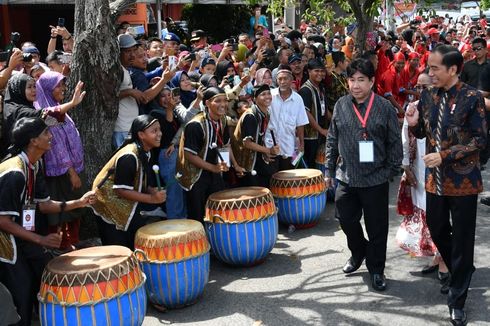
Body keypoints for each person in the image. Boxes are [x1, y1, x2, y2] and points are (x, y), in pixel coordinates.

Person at [406, 45, 487, 325]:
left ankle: (457, 298)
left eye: (435, 68)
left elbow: (479, 140)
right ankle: (461, 269)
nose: (430, 73)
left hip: (463, 182)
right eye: (429, 67)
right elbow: (425, 130)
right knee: (438, 228)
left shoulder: (472, 97)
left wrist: (444, 156)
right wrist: (415, 125)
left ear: (452, 70)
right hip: (435, 182)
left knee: (463, 239)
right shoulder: (429, 94)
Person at [0, 117, 95, 326]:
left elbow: (43, 204)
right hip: (5, 242)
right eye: (46, 133)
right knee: (21, 291)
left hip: (18, 234)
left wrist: (78, 203)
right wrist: (40, 239)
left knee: (41, 275)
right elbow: (3, 221)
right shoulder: (14, 172)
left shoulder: (32, 165)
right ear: (33, 141)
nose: (51, 136)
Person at [325, 58, 402, 292]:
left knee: (377, 227)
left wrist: (391, 170)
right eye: (352, 80)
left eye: (361, 80)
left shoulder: (384, 107)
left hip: (376, 178)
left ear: (371, 81)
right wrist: (329, 168)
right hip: (347, 176)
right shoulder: (341, 105)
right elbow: (332, 137)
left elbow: (394, 142)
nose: (355, 85)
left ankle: (376, 269)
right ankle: (359, 253)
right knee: (345, 219)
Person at [395, 73, 449, 280]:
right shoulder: (413, 107)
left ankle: (444, 260)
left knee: (440, 216)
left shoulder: (446, 106)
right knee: (426, 213)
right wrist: (406, 167)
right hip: (418, 169)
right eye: (418, 86)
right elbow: (404, 137)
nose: (420, 90)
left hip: (441, 171)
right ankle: (437, 256)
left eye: (425, 86)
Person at [91, 115, 166, 249]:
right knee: (118, 248)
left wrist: (150, 190)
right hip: (108, 203)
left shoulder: (146, 151)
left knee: (134, 238)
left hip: (125, 202)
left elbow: (138, 178)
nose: (159, 134)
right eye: (154, 131)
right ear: (141, 135)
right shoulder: (129, 157)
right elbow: (121, 190)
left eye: (159, 130)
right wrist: (151, 198)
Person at [35, 71, 87, 249]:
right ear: (48, 88)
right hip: (61, 172)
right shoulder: (41, 110)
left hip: (73, 168)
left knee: (76, 206)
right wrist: (71, 172)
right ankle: (62, 245)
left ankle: (72, 241)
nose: (63, 88)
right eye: (59, 85)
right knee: (61, 212)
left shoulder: (57, 105)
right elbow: (57, 146)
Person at [176, 87, 243, 222]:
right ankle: (200, 242)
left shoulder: (222, 120)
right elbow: (189, 155)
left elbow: (225, 145)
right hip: (195, 176)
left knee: (216, 210)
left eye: (225, 100)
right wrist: (213, 168)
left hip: (213, 172)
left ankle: (215, 241)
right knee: (197, 215)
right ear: (207, 103)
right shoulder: (195, 125)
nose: (223, 104)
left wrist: (234, 165)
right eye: (217, 101)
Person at [232, 84, 280, 187]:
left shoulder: (265, 113)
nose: (267, 96)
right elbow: (247, 143)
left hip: (255, 158)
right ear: (254, 99)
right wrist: (268, 150)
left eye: (268, 93)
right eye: (263, 94)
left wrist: (265, 153)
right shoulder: (250, 116)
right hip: (246, 162)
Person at [265, 65, 309, 170]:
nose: (282, 81)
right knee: (272, 177)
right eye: (280, 79)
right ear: (276, 81)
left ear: (291, 81)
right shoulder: (269, 96)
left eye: (285, 78)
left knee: (286, 177)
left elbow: (300, 124)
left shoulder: (298, 99)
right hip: (270, 145)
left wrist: (301, 144)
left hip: (288, 145)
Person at [298, 59, 329, 168]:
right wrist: (321, 130)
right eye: (316, 71)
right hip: (310, 137)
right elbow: (305, 113)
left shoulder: (321, 87)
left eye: (322, 71)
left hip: (320, 134)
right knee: (310, 166)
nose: (320, 74)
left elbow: (324, 110)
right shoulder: (305, 90)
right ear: (309, 71)